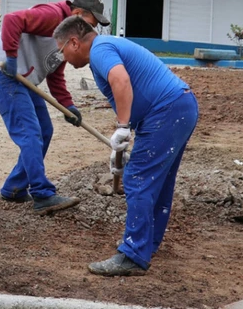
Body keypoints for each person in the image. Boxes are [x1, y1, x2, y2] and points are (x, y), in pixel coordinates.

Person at [53, 15, 198, 276]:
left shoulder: (99, 50)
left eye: (61, 50)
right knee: (159, 181)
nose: (63, 58)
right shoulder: (105, 47)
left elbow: (121, 81)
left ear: (74, 42)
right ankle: (146, 244)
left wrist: (122, 126)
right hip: (178, 106)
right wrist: (123, 134)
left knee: (138, 179)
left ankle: (133, 254)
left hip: (167, 110)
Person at [0, 0, 110, 214]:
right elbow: (12, 19)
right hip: (4, 74)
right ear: (78, 14)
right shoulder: (52, 16)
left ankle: (14, 188)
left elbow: (55, 71)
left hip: (25, 80)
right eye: (92, 22)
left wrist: (67, 105)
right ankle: (43, 194)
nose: (94, 30)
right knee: (30, 133)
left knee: (44, 131)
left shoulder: (68, 35)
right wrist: (12, 56)